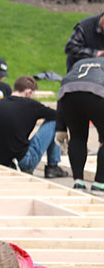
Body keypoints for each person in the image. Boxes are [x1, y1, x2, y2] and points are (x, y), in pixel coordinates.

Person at [0, 76, 67, 178]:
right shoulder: (31, 105)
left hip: (0, 161)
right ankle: (52, 166)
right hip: (23, 161)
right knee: (54, 122)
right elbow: (58, 116)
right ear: (28, 92)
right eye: (32, 95)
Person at [56, 56, 104, 192]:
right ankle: (100, 183)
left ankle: (78, 182)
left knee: (77, 137)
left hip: (68, 94)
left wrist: (60, 127)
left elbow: (61, 94)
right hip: (97, 93)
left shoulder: (80, 63)